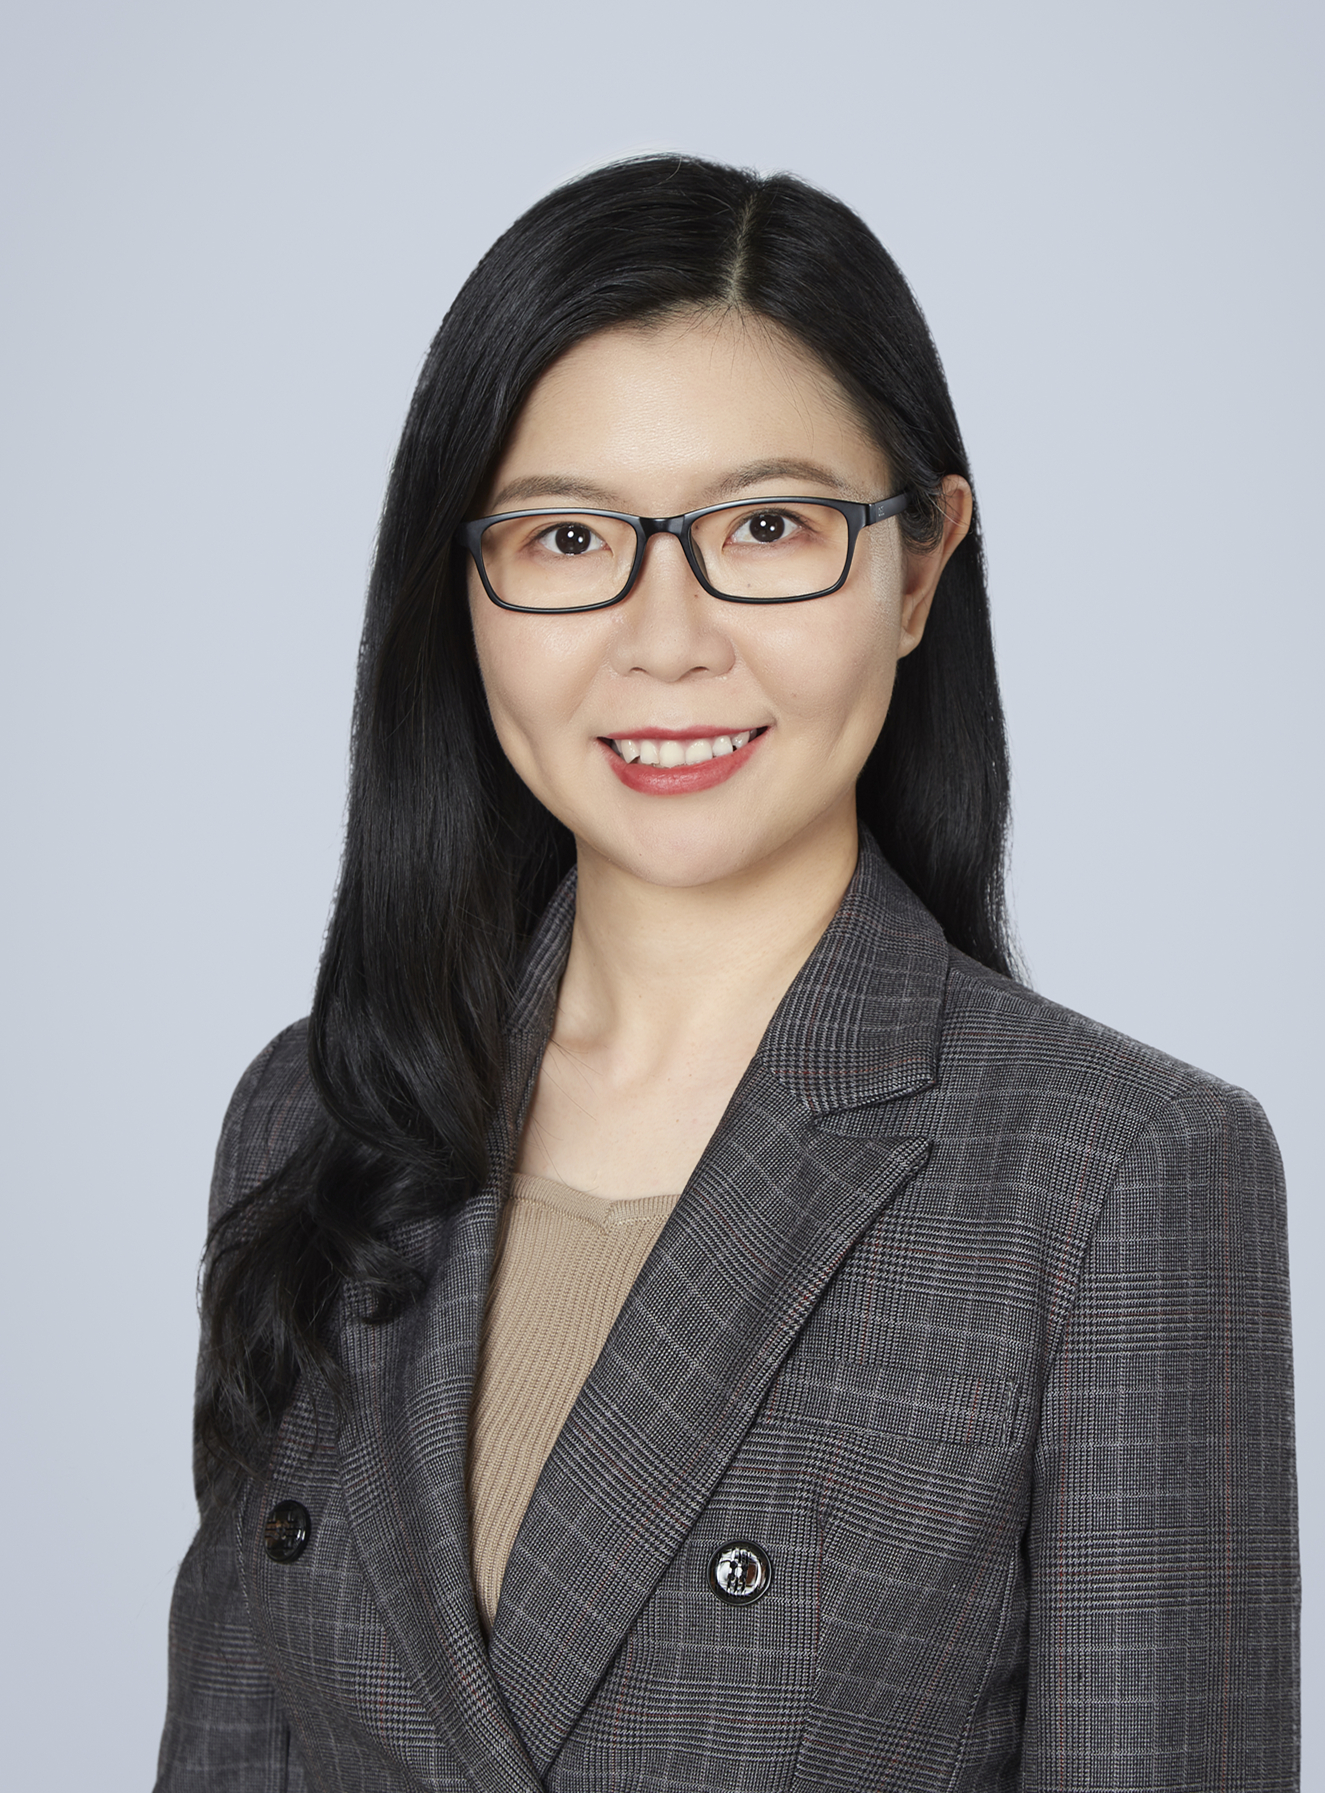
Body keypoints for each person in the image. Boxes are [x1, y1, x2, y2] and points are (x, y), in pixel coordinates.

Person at [155, 155, 1298, 1792]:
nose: (667, 637)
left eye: (767, 526)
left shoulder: (1115, 1172)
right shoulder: (320, 1110)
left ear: (917, 568)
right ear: (462, 588)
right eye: (567, 537)